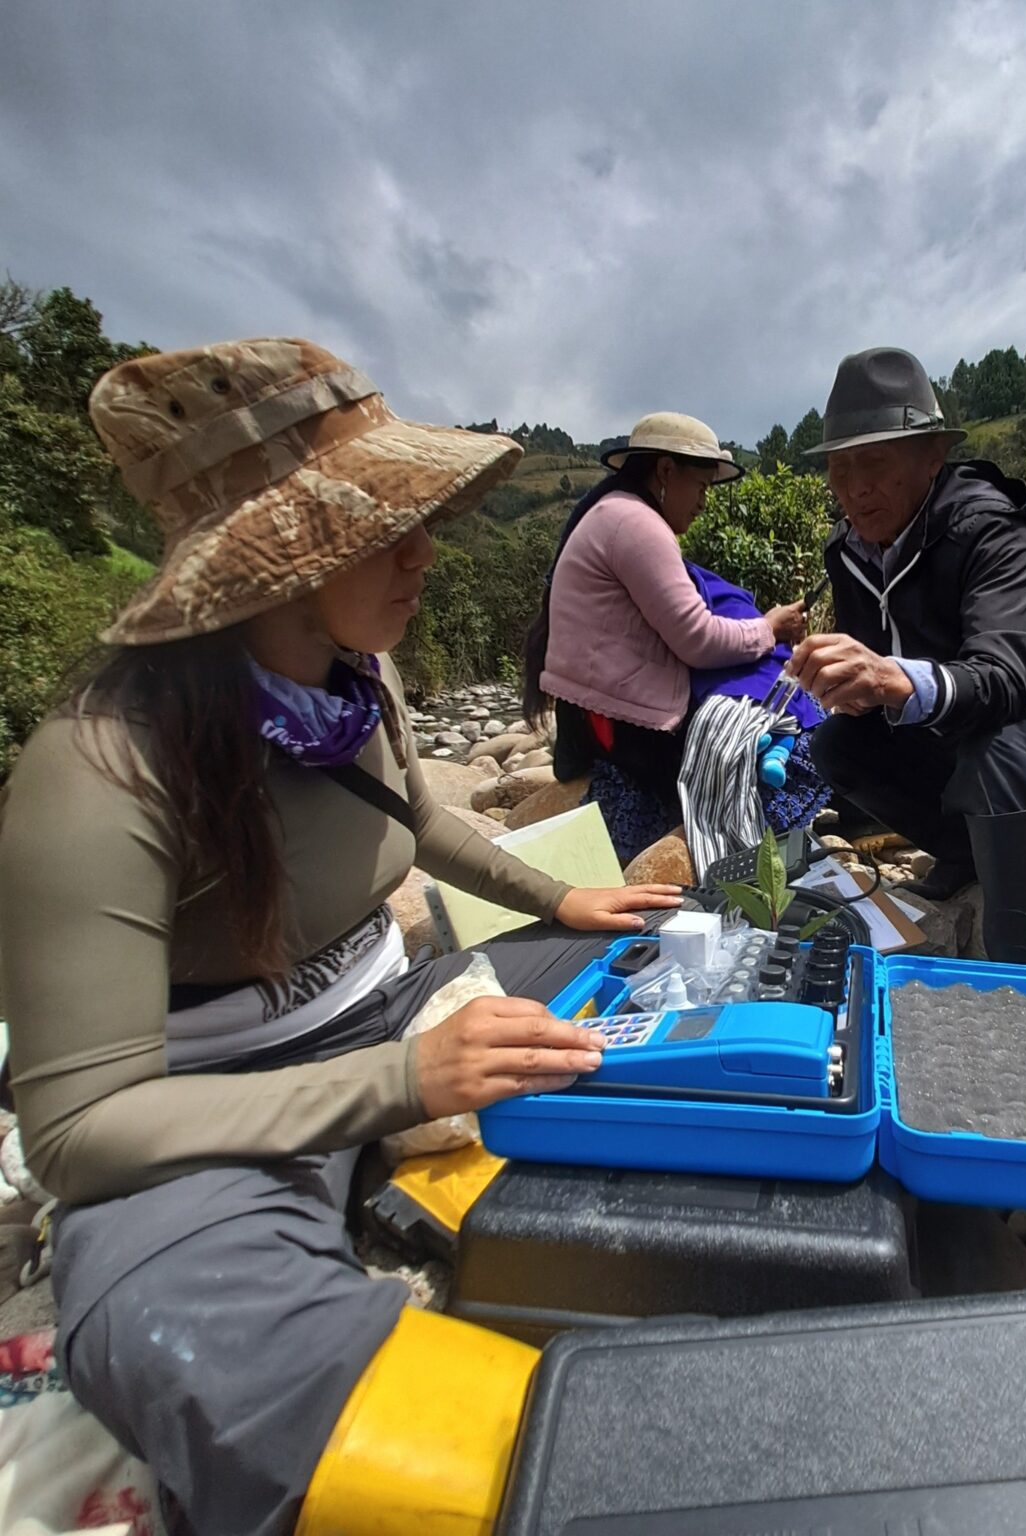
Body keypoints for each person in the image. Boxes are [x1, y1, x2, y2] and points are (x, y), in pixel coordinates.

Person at [0, 338, 685, 1534]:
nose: (423, 551)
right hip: (206, 1101)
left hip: (398, 1002)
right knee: (203, 1340)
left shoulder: (356, 674)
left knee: (685, 979)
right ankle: (587, 1482)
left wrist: (560, 901)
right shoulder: (97, 769)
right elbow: (79, 1130)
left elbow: (415, 820)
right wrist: (400, 1084)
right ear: (270, 564)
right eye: (381, 528)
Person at [787, 347, 1026, 966]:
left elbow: (1003, 680)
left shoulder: (990, 528)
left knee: (999, 757)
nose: (854, 488)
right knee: (836, 744)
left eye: (874, 461)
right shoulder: (850, 552)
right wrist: (850, 688)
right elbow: (879, 685)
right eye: (838, 469)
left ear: (934, 455)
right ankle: (969, 854)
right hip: (964, 750)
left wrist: (890, 676)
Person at [522, 412, 823, 863]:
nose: (703, 502)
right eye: (700, 486)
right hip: (630, 727)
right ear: (665, 472)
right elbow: (698, 640)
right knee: (808, 743)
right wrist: (770, 628)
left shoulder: (610, 513)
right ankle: (744, 857)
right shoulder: (636, 524)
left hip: (598, 719)